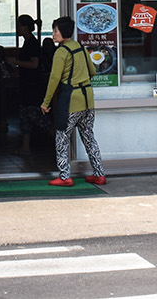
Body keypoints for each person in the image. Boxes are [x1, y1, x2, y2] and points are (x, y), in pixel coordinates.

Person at [39, 16, 105, 187]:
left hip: (71, 100)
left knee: (61, 139)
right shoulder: (81, 47)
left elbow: (54, 79)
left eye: (55, 31)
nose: (53, 34)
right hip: (87, 99)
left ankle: (64, 177)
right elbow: (92, 72)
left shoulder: (61, 52)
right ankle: (99, 174)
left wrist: (46, 102)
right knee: (89, 137)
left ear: (63, 32)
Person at [6, 14, 47, 152]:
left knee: (34, 114)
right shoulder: (29, 42)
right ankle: (25, 145)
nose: (17, 28)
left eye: (18, 26)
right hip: (28, 84)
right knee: (26, 114)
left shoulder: (32, 43)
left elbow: (34, 64)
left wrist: (15, 62)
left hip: (32, 86)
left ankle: (56, 137)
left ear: (24, 27)